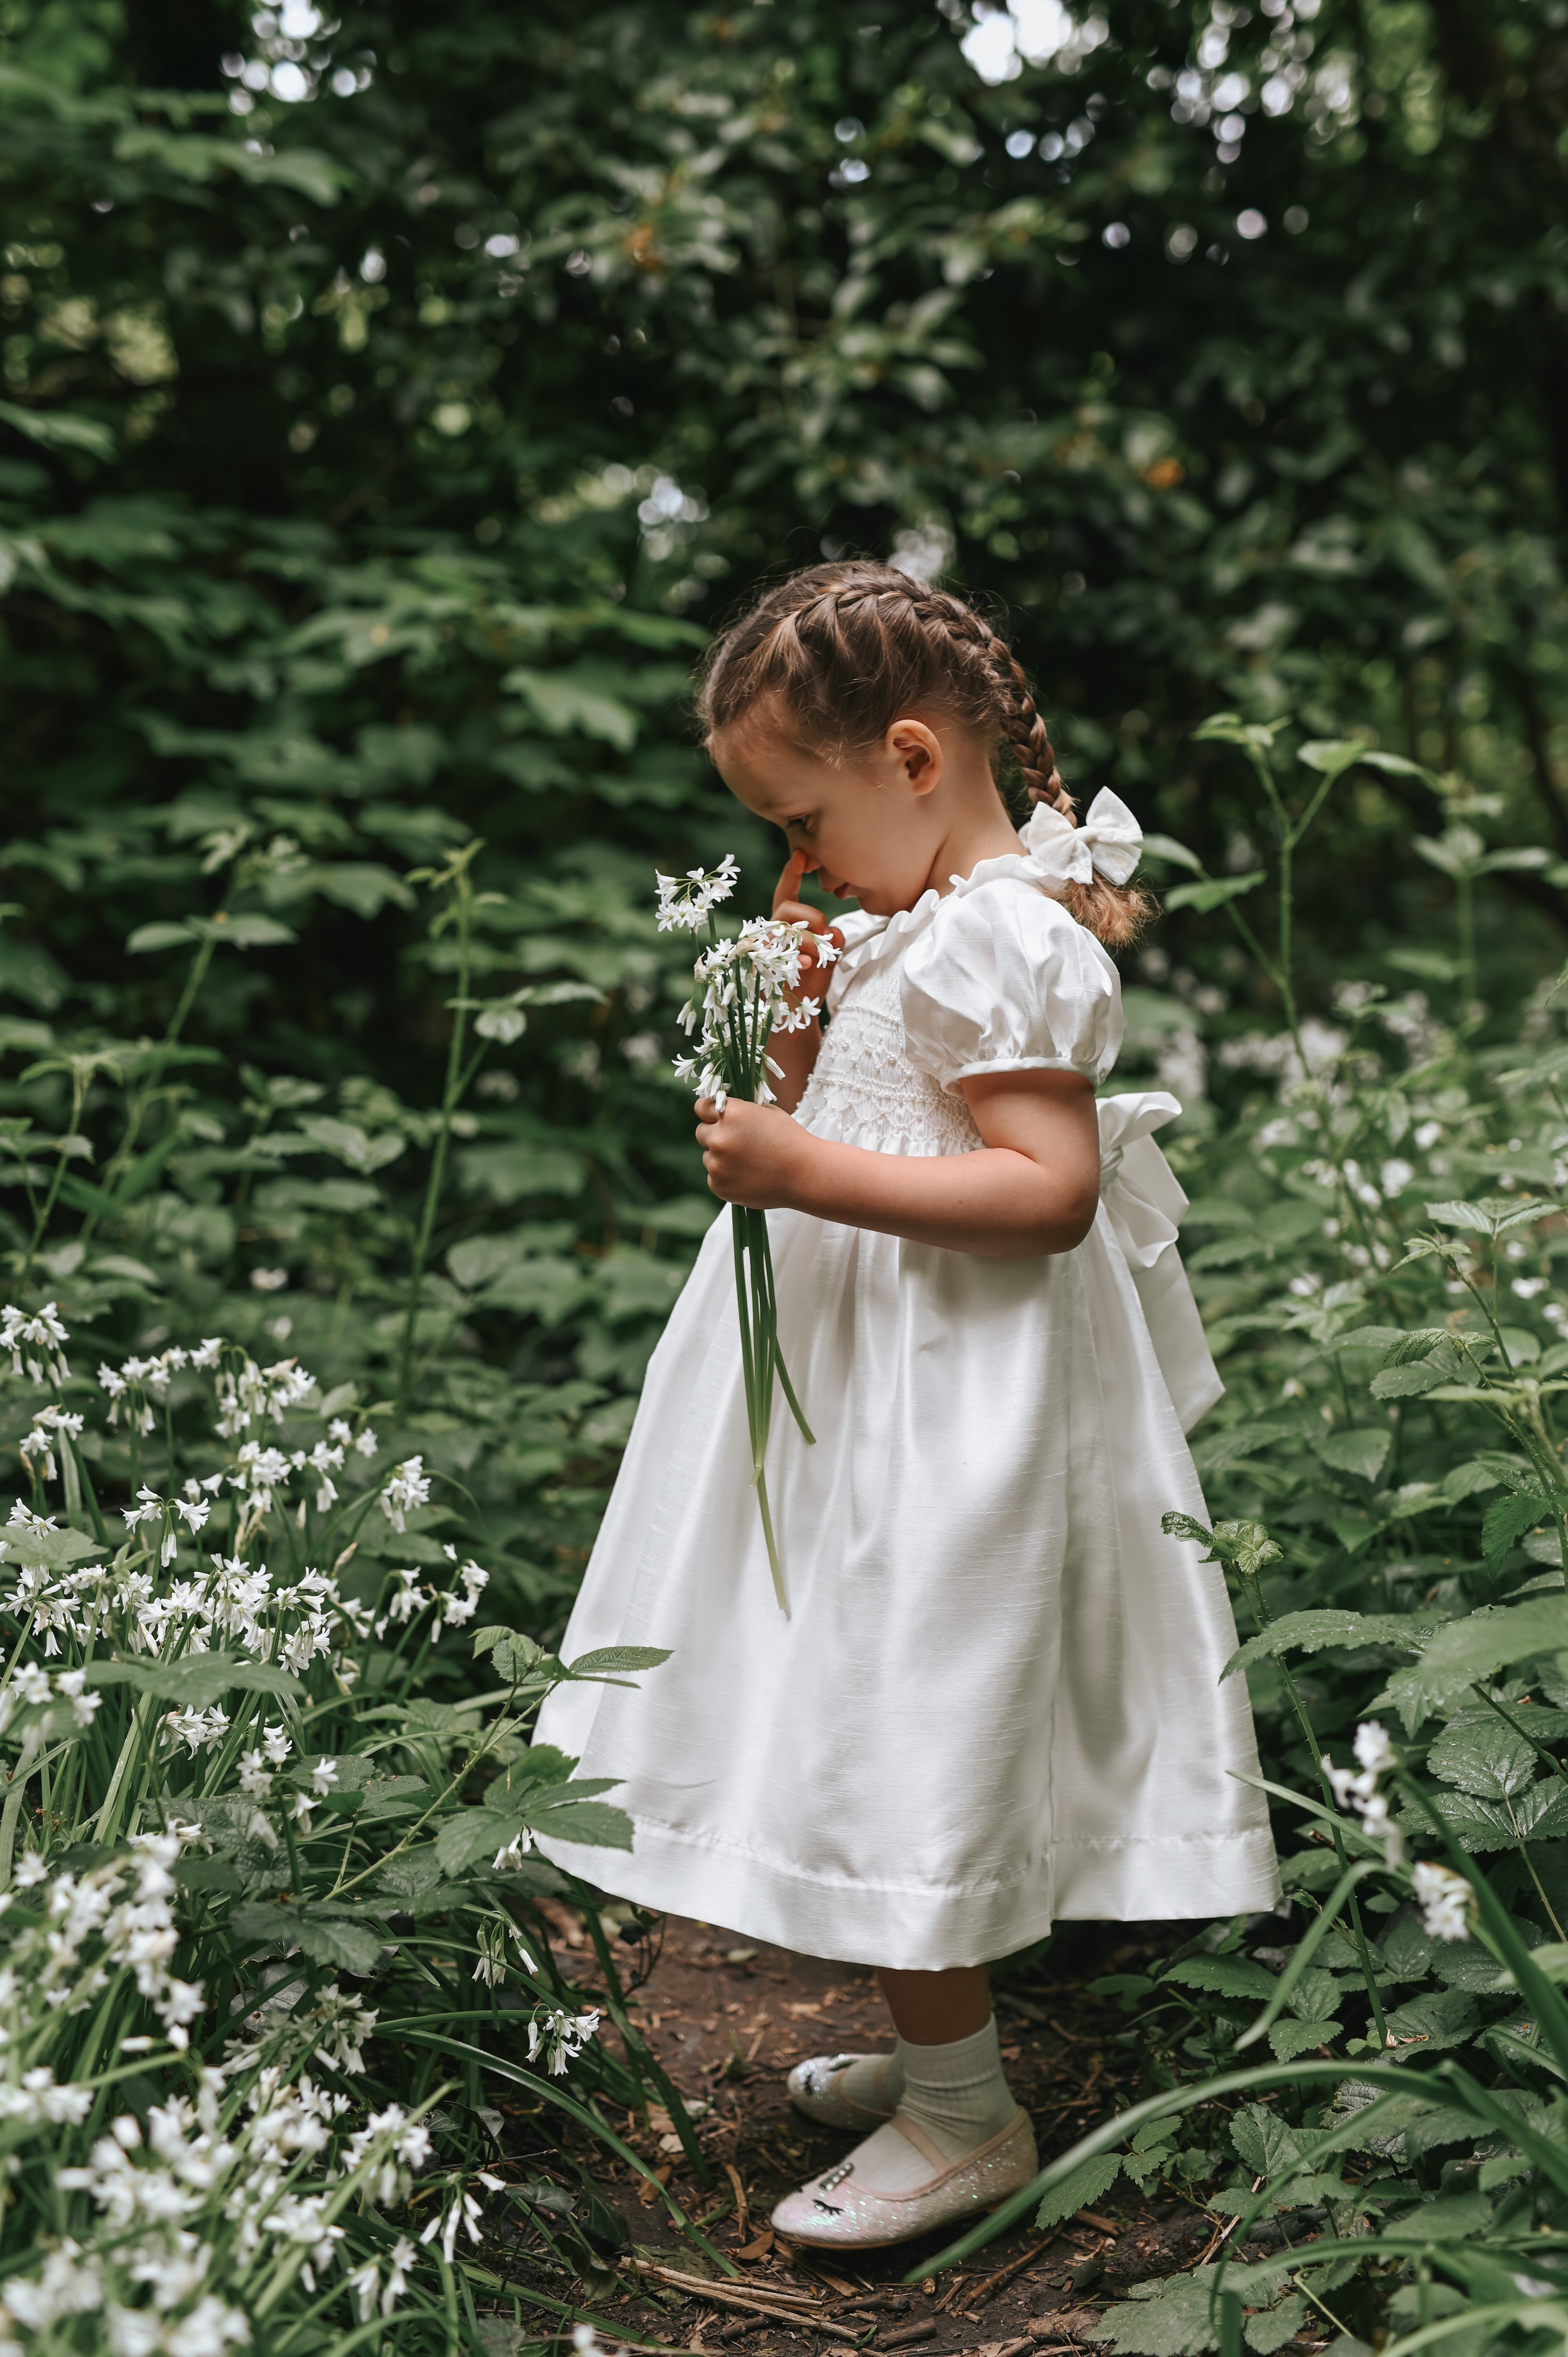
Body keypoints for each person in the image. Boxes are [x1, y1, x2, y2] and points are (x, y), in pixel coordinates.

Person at [534, 562, 1278, 2249]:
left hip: (950, 1409)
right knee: (848, 1690)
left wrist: (799, 1166)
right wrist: (797, 1042)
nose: (796, 868)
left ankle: (964, 2117)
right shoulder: (920, 923)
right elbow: (871, 1109)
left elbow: (1047, 1191)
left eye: (803, 823)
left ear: (917, 760)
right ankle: (940, 2051)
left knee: (905, 1709)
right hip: (868, 1387)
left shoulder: (1007, 937)